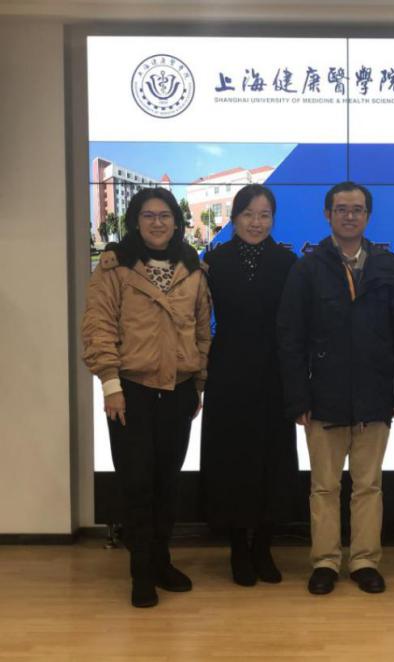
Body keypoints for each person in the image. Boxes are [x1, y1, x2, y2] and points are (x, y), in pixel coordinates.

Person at [277, 181, 394, 595]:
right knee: (324, 487)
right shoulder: (307, 268)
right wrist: (298, 397)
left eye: (357, 209)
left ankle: (364, 561)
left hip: (375, 395)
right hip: (324, 396)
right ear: (327, 214)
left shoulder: (388, 267)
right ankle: (325, 561)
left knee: (368, 486)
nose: (349, 215)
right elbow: (290, 337)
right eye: (341, 209)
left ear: (368, 216)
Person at [81, 187, 211, 608]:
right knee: (136, 483)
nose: (158, 222)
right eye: (149, 215)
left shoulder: (192, 267)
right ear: (135, 222)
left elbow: (202, 330)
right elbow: (99, 326)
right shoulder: (114, 267)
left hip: (178, 391)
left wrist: (198, 382)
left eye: (165, 215)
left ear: (176, 222)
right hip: (130, 392)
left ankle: (161, 561)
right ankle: (140, 570)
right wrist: (110, 385)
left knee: (167, 483)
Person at [200, 184, 298, 587]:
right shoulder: (214, 261)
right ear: (235, 217)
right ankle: (238, 547)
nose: (256, 223)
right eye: (248, 214)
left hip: (275, 373)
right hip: (228, 372)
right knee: (233, 461)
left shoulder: (288, 262)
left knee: (272, 460)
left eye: (264, 215)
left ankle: (264, 547)